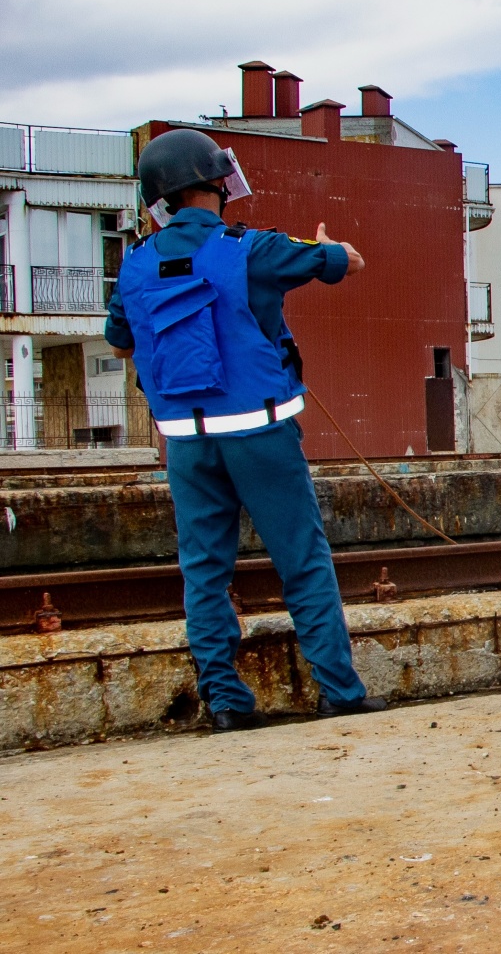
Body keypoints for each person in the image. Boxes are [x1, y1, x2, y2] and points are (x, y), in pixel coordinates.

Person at [106, 128, 384, 732]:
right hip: (259, 432)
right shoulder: (249, 247)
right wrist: (327, 246)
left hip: (183, 439)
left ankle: (226, 702)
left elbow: (121, 341)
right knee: (302, 558)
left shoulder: (134, 265)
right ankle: (338, 689)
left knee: (204, 569)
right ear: (216, 184)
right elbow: (346, 262)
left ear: (159, 199)